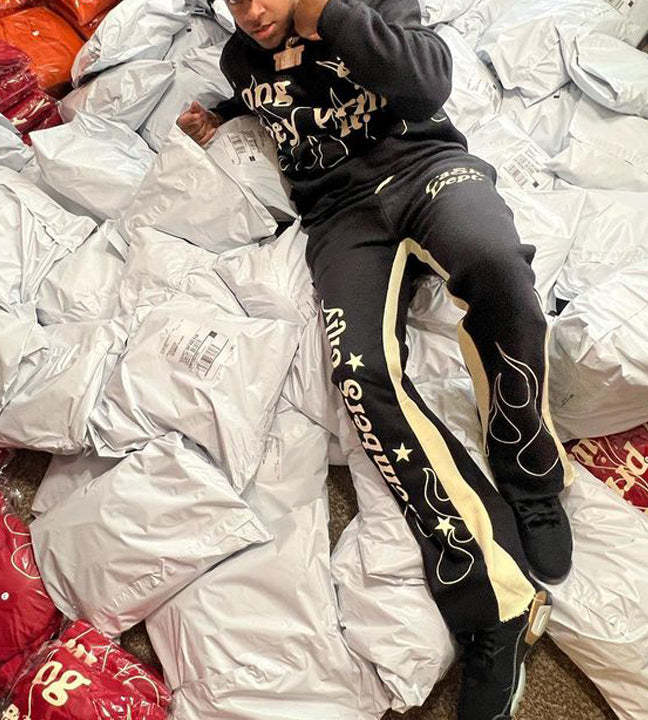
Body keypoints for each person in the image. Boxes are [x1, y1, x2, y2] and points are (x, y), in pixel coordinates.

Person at [177, 1, 574, 717]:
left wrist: (329, 16)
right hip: (341, 218)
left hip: (427, 168)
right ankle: (495, 605)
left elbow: (430, 82)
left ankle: (531, 474)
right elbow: (275, 100)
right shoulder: (242, 54)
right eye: (234, 0)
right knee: (359, 375)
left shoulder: (369, 9)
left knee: (497, 267)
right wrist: (221, 113)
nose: (251, 12)